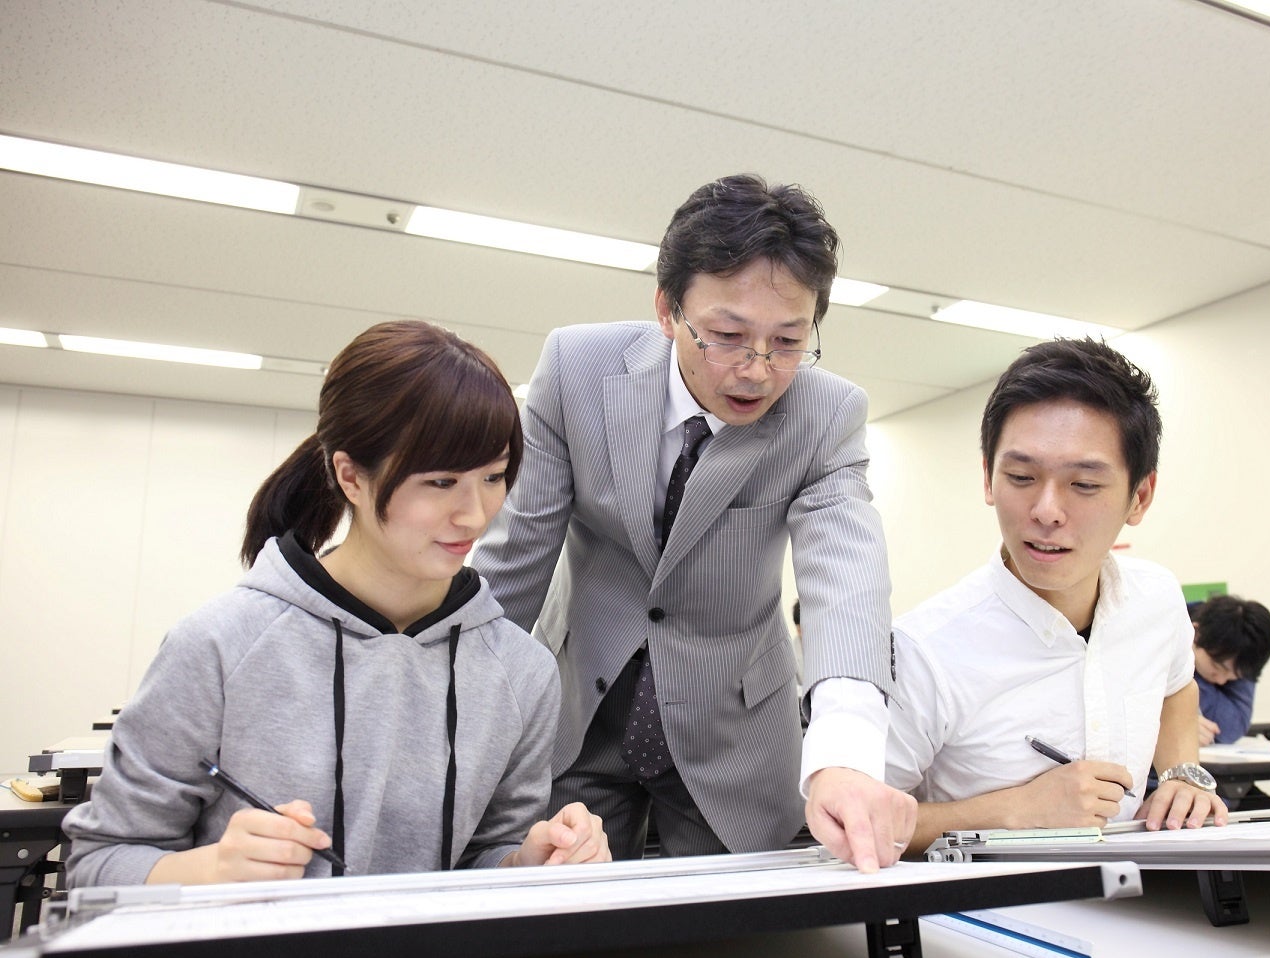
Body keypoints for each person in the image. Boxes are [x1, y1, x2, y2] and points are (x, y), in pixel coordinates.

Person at [472, 174, 915, 871]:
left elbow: (847, 581)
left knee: (736, 923)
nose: (757, 370)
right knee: (566, 905)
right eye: (727, 336)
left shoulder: (826, 414)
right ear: (667, 309)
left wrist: (847, 753)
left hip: (734, 729)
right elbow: (515, 560)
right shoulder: (576, 369)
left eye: (788, 341)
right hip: (582, 711)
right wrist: (456, 713)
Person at [64, 320, 609, 886]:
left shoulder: (522, 671)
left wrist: (525, 862)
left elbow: (486, 853)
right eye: (442, 483)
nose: (475, 514)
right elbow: (97, 864)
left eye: (494, 477)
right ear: (351, 476)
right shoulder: (220, 644)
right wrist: (211, 869)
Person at [884, 337, 1228, 854]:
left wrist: (1182, 774)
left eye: (1084, 485)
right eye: (1022, 477)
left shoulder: (1156, 598)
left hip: (1143, 890)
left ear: (1140, 496)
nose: (1046, 510)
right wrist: (1014, 811)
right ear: (988, 478)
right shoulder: (923, 648)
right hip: (987, 901)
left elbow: (1176, 688)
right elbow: (853, 823)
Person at [1190, 595, 1270, 745]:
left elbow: (1232, 726)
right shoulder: (1160, 629)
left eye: (1233, 678)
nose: (1221, 681)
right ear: (1195, 633)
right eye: (1216, 667)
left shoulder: (1243, 649)